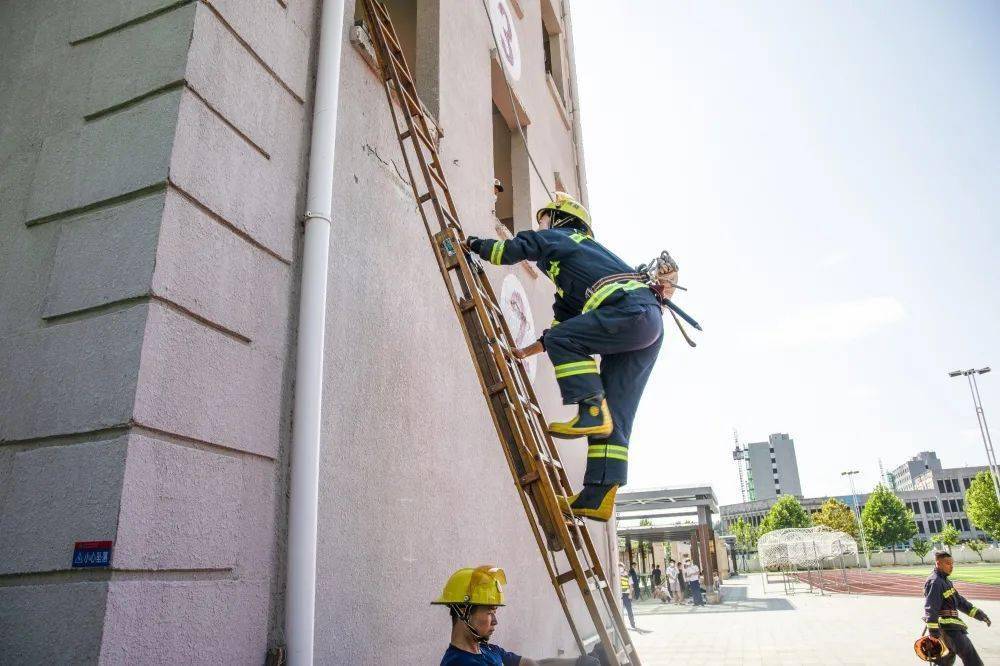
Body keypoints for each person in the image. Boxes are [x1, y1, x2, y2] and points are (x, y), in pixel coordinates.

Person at [465, 192, 667, 521]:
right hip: (645, 327)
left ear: (560, 220)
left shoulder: (565, 238)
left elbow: (516, 247)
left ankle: (590, 410)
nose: (539, 226)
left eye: (544, 220)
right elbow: (563, 330)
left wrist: (474, 244)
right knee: (615, 416)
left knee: (597, 403)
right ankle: (597, 495)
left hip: (632, 313)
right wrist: (526, 350)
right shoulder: (572, 277)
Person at [435, 565, 605, 665]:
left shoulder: (488, 650)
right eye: (489, 612)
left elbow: (533, 664)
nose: (495, 621)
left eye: (495, 612)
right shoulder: (458, 663)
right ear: (464, 611)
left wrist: (578, 662)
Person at [923, 551, 991, 665]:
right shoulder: (935, 582)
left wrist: (979, 614)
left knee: (945, 661)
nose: (951, 566)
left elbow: (959, 601)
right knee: (971, 657)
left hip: (947, 628)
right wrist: (933, 633)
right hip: (949, 629)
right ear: (938, 563)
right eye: (948, 563)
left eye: (952, 563)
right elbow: (931, 608)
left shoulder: (945, 581)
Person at [619, 563, 636, 630]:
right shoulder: (617, 575)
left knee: (629, 610)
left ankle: (632, 624)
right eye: (619, 567)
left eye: (621, 567)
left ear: (624, 567)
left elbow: (631, 585)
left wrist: (630, 594)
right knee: (620, 610)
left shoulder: (628, 575)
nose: (620, 568)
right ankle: (621, 625)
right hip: (619, 594)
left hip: (626, 594)